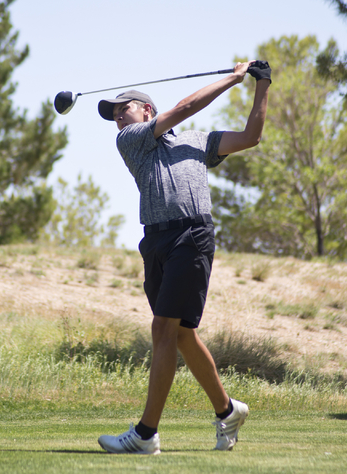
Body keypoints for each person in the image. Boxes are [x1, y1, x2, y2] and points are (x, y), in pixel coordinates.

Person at [96, 60, 271, 454]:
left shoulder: (196, 140)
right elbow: (186, 107)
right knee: (180, 334)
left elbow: (250, 136)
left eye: (123, 108)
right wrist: (232, 77)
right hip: (156, 242)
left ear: (146, 110)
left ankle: (145, 435)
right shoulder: (132, 139)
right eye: (114, 114)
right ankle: (228, 412)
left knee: (163, 329)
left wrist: (262, 85)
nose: (117, 117)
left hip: (191, 235)